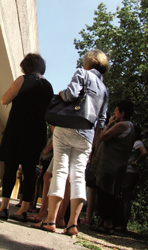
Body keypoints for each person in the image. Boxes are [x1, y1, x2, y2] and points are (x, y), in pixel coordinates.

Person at [37, 49, 109, 236]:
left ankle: (50, 220)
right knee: (78, 176)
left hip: (67, 126)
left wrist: (60, 94)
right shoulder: (104, 88)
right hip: (87, 134)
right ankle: (72, 224)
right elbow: (101, 120)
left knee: (60, 171)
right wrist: (94, 144)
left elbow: (70, 95)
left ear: (88, 62)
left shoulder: (82, 73)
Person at [0, 53, 54, 221]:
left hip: (17, 129)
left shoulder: (22, 80)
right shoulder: (48, 86)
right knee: (30, 170)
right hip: (37, 132)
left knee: (10, 167)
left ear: (27, 66)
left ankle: (4, 207)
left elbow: (4, 99)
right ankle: (23, 210)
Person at [93, 100, 135, 234]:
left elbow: (103, 137)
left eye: (116, 111)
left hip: (110, 165)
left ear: (122, 113)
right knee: (110, 193)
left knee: (106, 194)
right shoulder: (131, 126)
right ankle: (107, 222)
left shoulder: (122, 125)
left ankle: (107, 224)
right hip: (118, 165)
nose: (114, 113)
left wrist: (109, 124)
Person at [121, 125, 147, 231]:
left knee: (125, 198)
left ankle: (123, 224)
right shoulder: (130, 142)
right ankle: (121, 222)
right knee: (123, 198)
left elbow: (144, 152)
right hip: (126, 172)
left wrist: (136, 162)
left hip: (131, 173)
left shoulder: (137, 142)